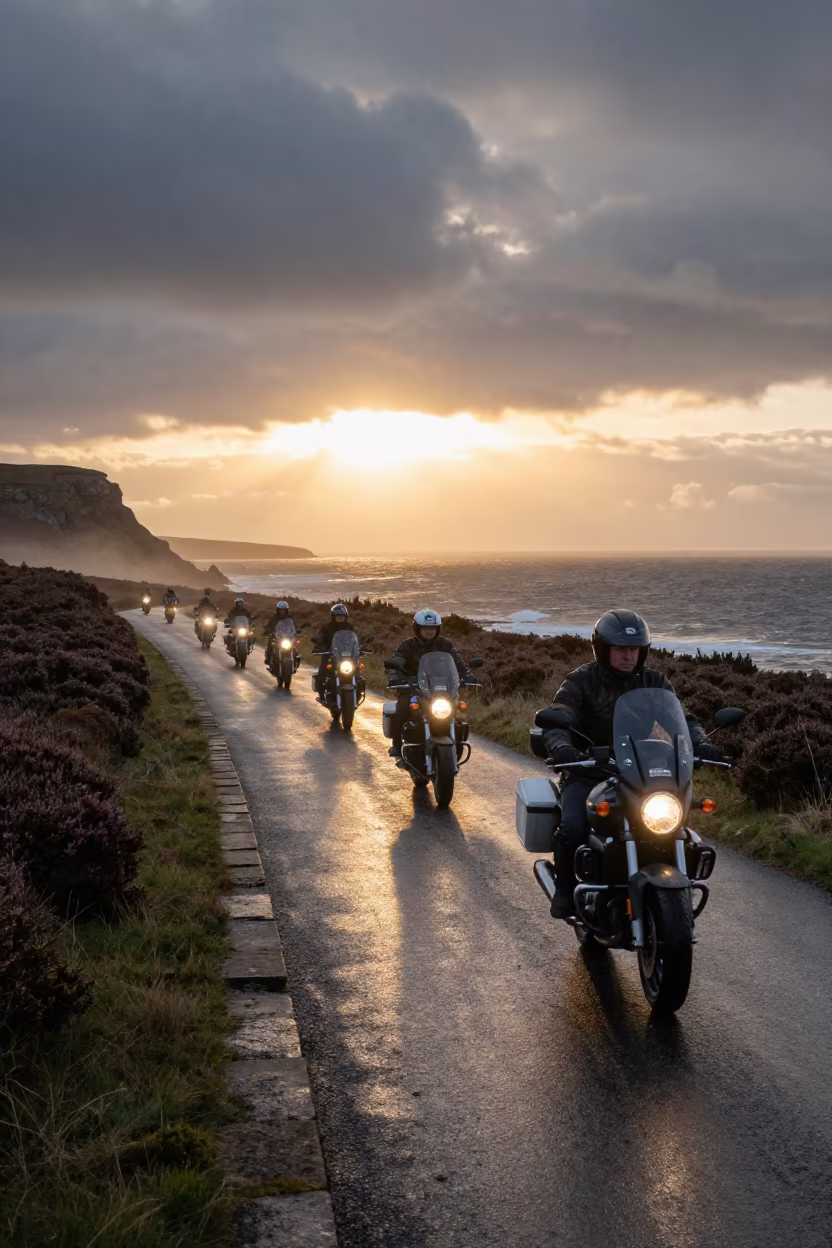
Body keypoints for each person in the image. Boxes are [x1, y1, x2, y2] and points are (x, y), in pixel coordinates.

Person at [540, 608, 724, 918]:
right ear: (602, 649)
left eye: (635, 649)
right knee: (572, 826)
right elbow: (560, 717)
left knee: (673, 821)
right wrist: (562, 747)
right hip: (588, 769)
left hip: (637, 770)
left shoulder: (653, 680)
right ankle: (565, 889)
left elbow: (682, 718)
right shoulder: (581, 680)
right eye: (621, 649)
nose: (629, 656)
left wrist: (700, 743)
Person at [384, 609, 477, 757]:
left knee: (459, 710)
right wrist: (394, 675)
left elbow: (458, 663)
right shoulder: (408, 645)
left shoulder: (445, 645)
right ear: (418, 628)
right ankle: (396, 745)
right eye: (425, 628)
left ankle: (457, 745)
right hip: (413, 686)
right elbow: (397, 660)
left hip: (442, 687)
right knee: (401, 707)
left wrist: (468, 676)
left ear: (437, 629)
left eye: (432, 628)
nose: (429, 631)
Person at [313, 604, 351, 696]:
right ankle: (321, 693)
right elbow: (320, 636)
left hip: (346, 655)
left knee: (356, 671)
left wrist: (361, 646)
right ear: (333, 616)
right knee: (323, 670)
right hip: (330, 654)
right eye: (338, 616)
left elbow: (355, 639)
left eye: (342, 616)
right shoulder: (326, 627)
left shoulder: (349, 627)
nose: (340, 618)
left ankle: (357, 690)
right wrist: (319, 645)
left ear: (346, 616)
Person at [261, 600, 295, 666]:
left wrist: (298, 630)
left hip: (287, 636)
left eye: (284, 610)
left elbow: (294, 626)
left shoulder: (290, 619)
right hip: (277, 636)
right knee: (271, 642)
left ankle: (295, 659)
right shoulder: (274, 618)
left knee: (294, 646)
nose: (282, 611)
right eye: (280, 610)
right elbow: (269, 626)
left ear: (286, 610)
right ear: (278, 610)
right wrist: (268, 630)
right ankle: (268, 658)